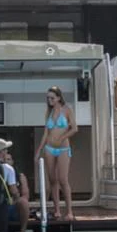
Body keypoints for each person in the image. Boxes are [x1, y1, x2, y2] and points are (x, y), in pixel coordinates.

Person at [39, 86, 78, 221]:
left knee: (63, 179)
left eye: (52, 98)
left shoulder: (67, 110)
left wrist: (62, 137)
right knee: (52, 180)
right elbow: (46, 133)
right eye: (48, 98)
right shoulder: (48, 112)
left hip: (63, 149)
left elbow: (74, 128)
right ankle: (56, 210)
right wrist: (38, 150)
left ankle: (69, 211)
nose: (49, 100)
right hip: (49, 148)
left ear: (59, 98)